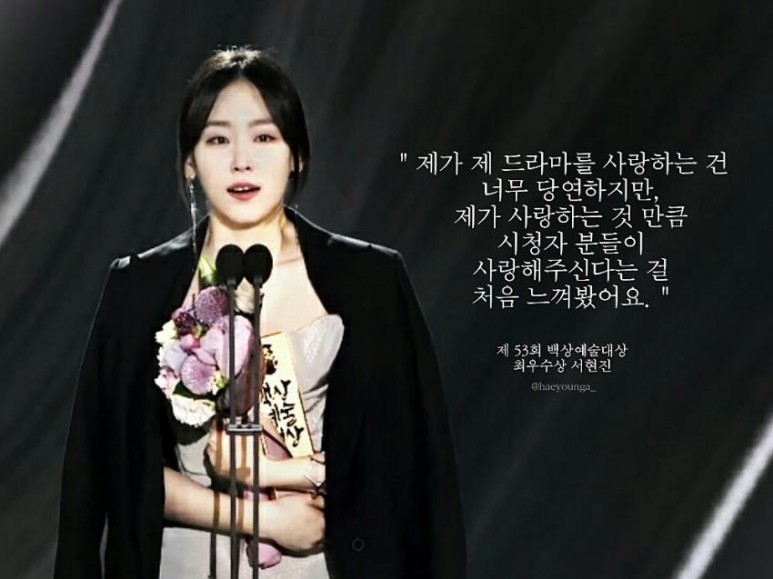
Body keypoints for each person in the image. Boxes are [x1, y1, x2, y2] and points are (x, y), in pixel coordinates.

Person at [54, 47, 466, 579]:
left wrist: (281, 478)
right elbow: (97, 472)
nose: (241, 161)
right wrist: (265, 518)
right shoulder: (137, 288)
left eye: (265, 138)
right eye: (217, 139)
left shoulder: (371, 281)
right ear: (189, 161)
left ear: (296, 155)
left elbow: (420, 470)